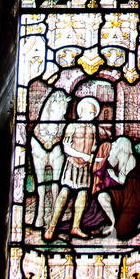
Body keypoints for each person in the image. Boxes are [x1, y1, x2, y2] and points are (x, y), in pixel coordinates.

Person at [43, 98, 103, 241]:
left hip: (85, 167)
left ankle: (76, 227)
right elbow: (66, 148)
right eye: (90, 112)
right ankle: (51, 227)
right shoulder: (72, 126)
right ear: (81, 112)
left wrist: (94, 159)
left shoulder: (93, 128)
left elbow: (94, 147)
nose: (92, 115)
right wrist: (83, 155)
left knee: (83, 195)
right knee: (64, 194)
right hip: (72, 164)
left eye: (94, 113)